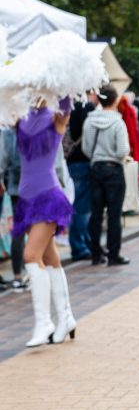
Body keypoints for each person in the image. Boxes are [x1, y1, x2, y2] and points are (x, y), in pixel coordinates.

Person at [13, 98, 77, 347]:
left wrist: (60, 81)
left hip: (48, 196)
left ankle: (44, 322)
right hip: (27, 198)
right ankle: (66, 318)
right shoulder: (20, 116)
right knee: (50, 258)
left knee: (30, 255)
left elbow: (66, 105)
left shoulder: (55, 117)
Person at [83, 85, 131, 266]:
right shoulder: (118, 123)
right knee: (114, 214)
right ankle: (114, 253)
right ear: (115, 99)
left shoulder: (90, 121)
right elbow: (122, 150)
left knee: (96, 213)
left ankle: (95, 253)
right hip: (114, 169)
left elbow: (86, 148)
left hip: (96, 167)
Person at [64, 91, 98, 261]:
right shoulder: (86, 107)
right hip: (83, 160)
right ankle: (80, 246)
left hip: (70, 160)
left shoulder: (66, 105)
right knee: (82, 208)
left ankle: (82, 243)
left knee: (76, 205)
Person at [0, 125, 25, 291]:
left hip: (15, 185)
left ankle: (18, 276)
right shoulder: (37, 126)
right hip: (39, 185)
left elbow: (3, 160)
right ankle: (23, 273)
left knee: (19, 230)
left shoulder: (8, 131)